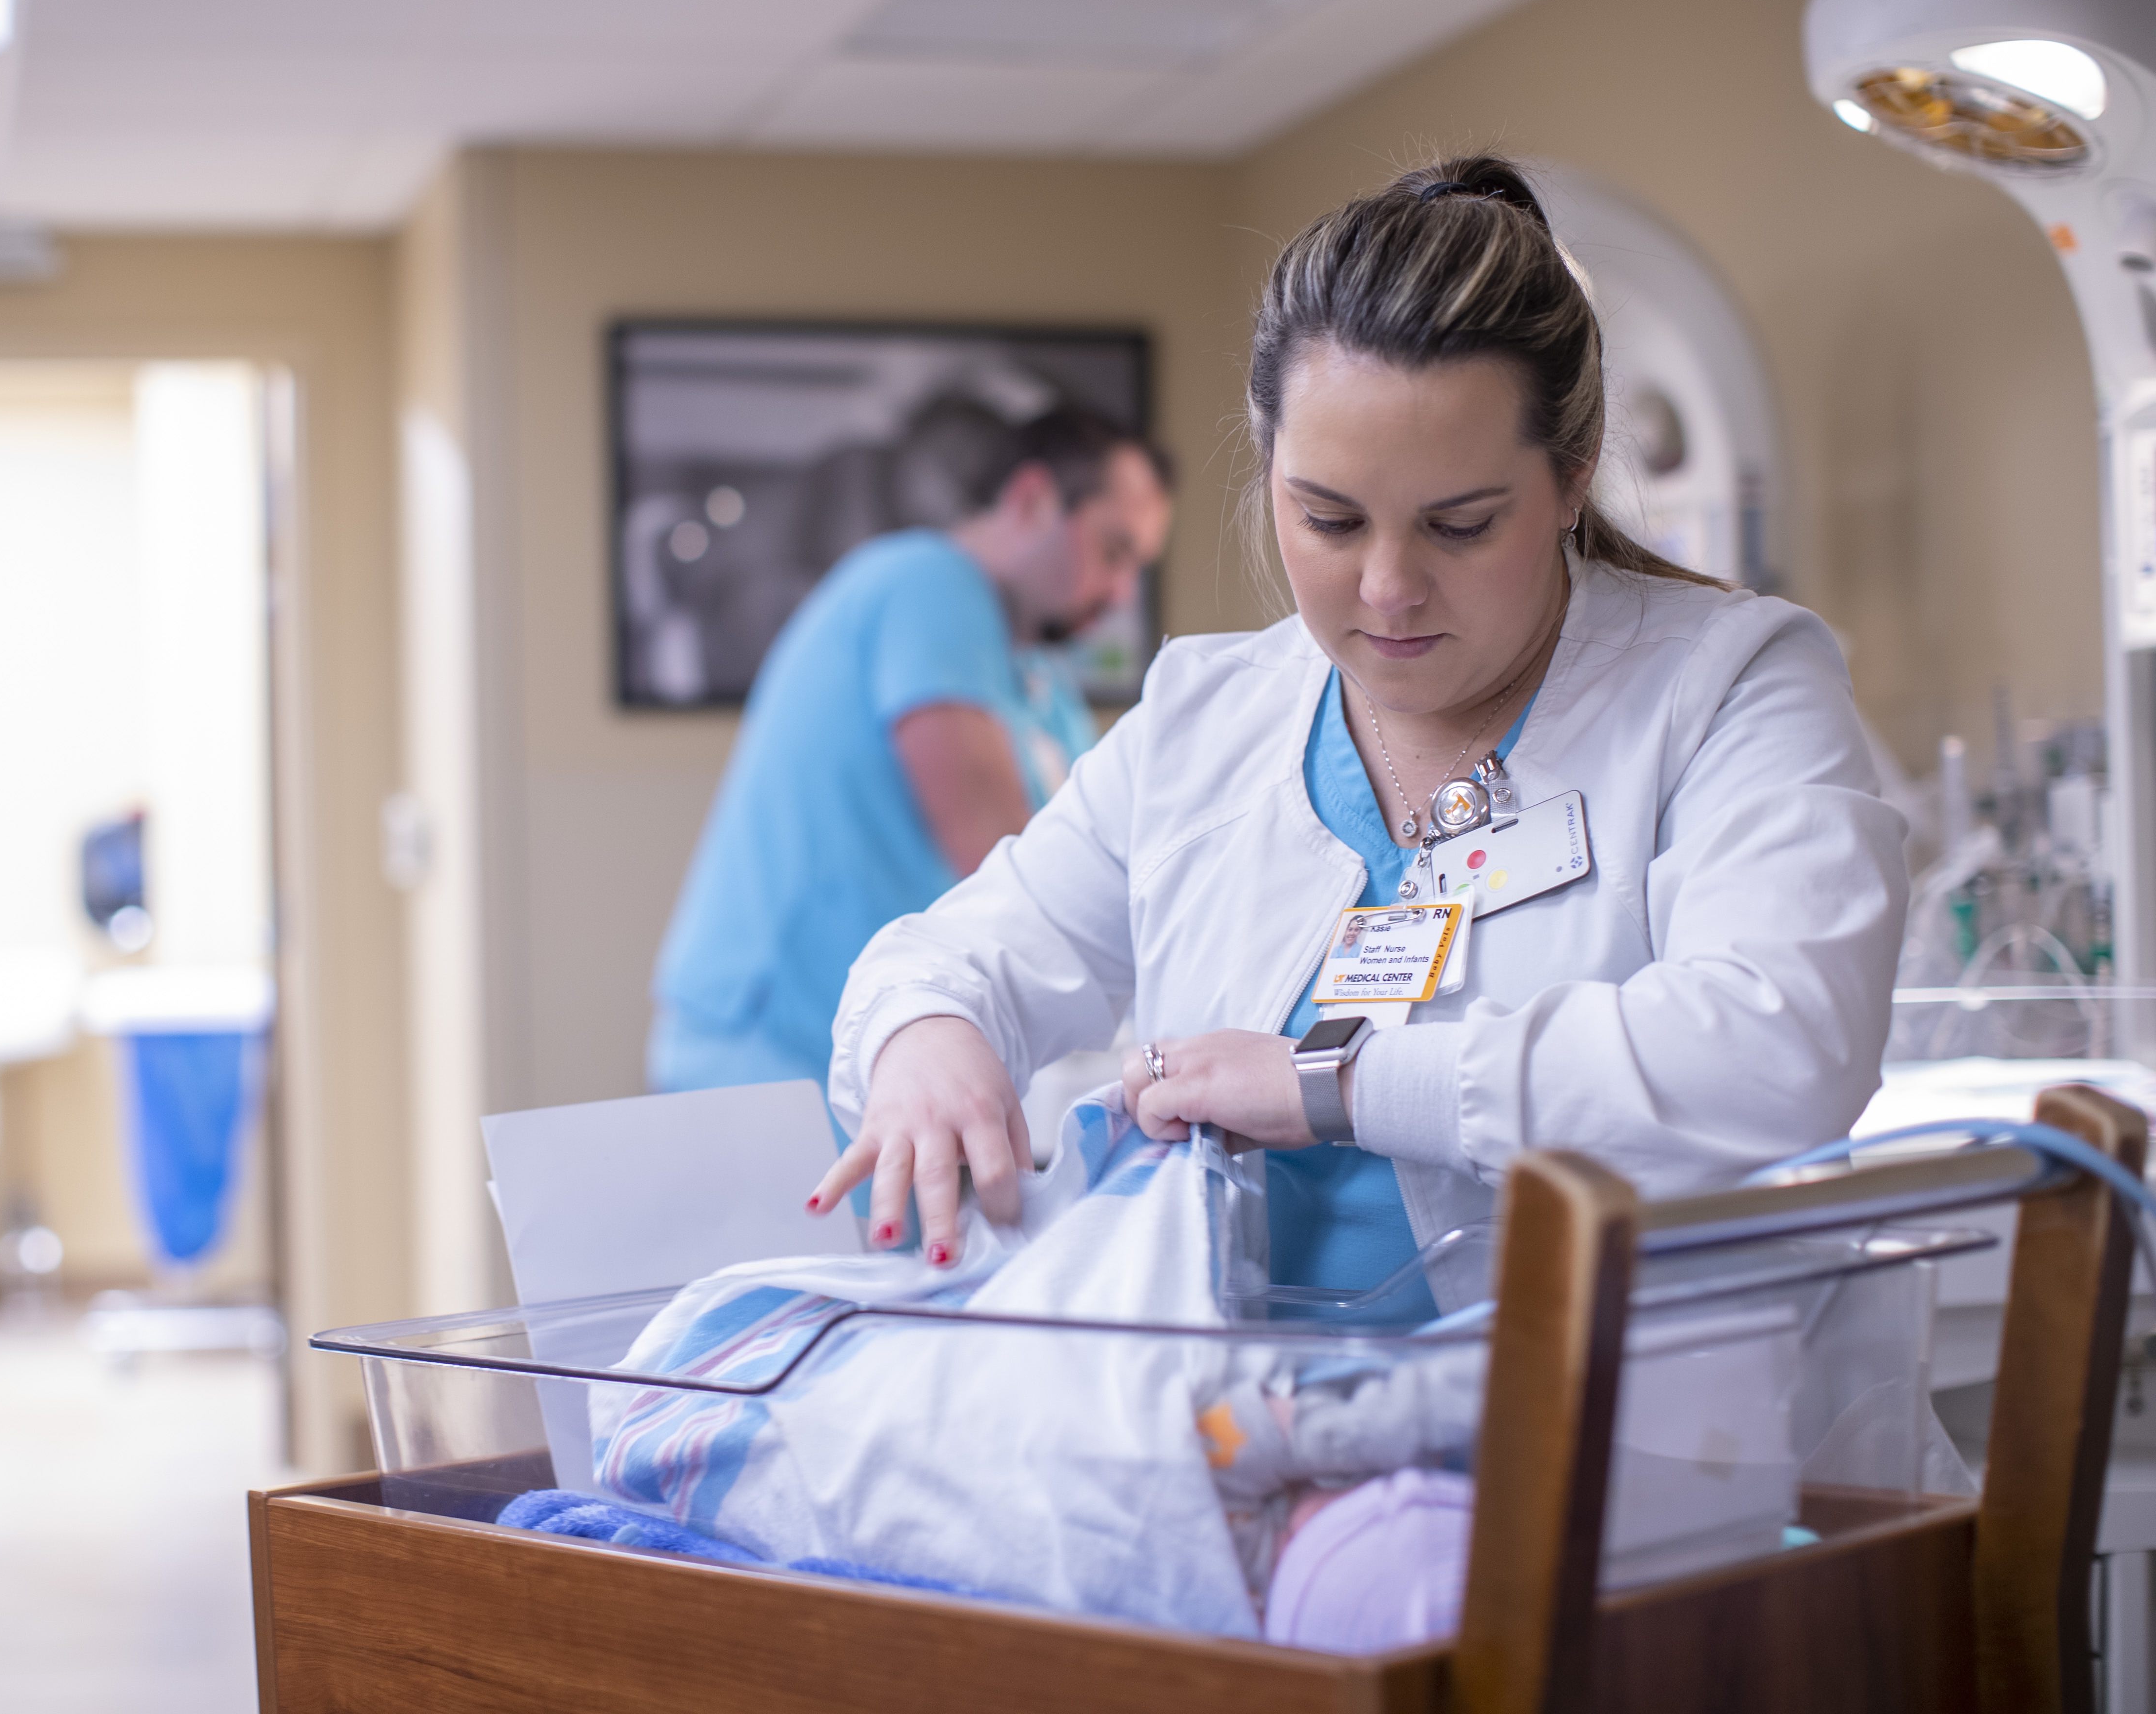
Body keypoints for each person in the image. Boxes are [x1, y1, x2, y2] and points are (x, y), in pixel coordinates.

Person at [812, 154, 1907, 1279]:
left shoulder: (1730, 688)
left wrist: (1338, 1084)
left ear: (1573, 477)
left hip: (1631, 1430)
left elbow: (1781, 1049)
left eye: (1462, 525)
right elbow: (957, 956)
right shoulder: (1204, 721)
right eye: (1330, 520)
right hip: (1239, 1423)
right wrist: (923, 1041)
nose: (1388, 587)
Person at [648, 406, 1175, 1095]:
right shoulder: (930, 585)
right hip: (771, 1051)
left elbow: (1104, 863)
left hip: (874, 1057)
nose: (1123, 593)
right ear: (1031, 501)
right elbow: (1010, 869)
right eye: (1114, 551)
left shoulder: (1039, 681)